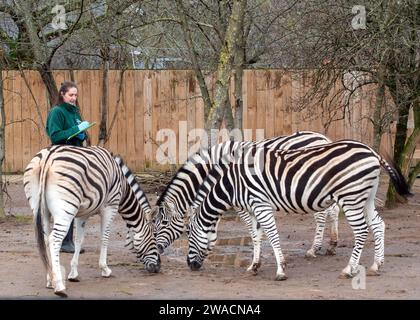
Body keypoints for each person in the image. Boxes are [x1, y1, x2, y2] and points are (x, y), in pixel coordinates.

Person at [46, 81, 91, 253]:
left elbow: (77, 134)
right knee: (67, 201)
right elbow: (55, 135)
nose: (73, 98)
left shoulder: (74, 111)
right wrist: (75, 129)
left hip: (76, 158)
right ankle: (64, 241)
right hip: (63, 159)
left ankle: (69, 241)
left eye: (75, 95)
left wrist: (83, 131)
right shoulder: (57, 112)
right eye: (71, 95)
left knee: (75, 201)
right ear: (62, 94)